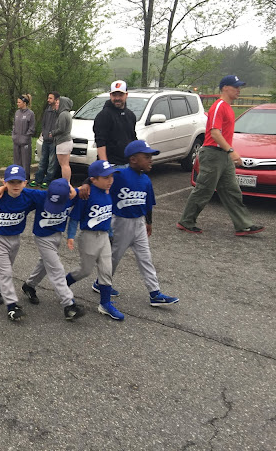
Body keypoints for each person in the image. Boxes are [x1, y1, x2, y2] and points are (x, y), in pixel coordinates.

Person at [177, 75, 265, 236]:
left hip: (223, 155)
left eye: (239, 87)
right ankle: (186, 221)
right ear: (225, 88)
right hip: (212, 154)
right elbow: (215, 133)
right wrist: (231, 151)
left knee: (232, 191)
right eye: (235, 87)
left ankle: (243, 225)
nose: (239, 90)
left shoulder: (228, 108)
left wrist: (228, 152)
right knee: (204, 190)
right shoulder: (219, 106)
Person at [106, 140, 179, 308]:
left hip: (139, 223)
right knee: (114, 257)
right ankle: (101, 283)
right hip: (121, 222)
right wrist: (87, 185)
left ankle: (155, 293)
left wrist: (149, 222)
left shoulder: (146, 180)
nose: (150, 160)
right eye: (146, 157)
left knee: (145, 258)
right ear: (133, 159)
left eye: (150, 157)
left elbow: (148, 204)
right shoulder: (119, 174)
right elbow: (97, 176)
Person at [0, 165, 42, 321]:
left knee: (5, 269)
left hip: (15, 239)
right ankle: (12, 306)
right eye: (11, 182)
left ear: (25, 182)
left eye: (19, 182)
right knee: (6, 271)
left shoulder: (29, 196)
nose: (15, 185)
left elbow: (54, 194)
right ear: (4, 182)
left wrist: (79, 189)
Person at [19, 178, 85, 320]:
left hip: (57, 235)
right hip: (42, 238)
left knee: (45, 263)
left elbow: (86, 187)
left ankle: (29, 285)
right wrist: (1, 188)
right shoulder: (40, 195)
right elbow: (18, 188)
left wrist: (80, 188)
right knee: (56, 269)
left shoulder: (72, 196)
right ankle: (69, 305)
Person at [65, 160, 121, 320]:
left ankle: (105, 304)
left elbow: (108, 217)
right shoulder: (86, 194)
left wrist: (110, 234)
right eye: (106, 177)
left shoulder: (108, 191)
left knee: (106, 269)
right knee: (85, 270)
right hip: (88, 236)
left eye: (111, 176)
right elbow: (75, 218)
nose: (110, 180)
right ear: (93, 179)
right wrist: (70, 236)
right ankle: (63, 284)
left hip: (104, 236)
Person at [94, 80, 137, 165]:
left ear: (126, 95)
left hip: (128, 164)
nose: (117, 98)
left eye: (120, 95)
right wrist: (105, 166)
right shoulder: (104, 115)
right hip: (112, 164)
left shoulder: (130, 115)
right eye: (114, 95)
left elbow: (132, 138)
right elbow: (100, 142)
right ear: (110, 95)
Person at [30, 92, 60, 188]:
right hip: (45, 140)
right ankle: (38, 179)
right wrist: (44, 133)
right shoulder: (47, 111)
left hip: (54, 141)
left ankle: (47, 180)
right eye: (48, 98)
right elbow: (43, 123)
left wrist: (53, 135)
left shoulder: (59, 112)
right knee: (42, 160)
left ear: (56, 100)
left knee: (52, 162)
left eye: (50, 98)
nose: (48, 100)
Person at [12, 94, 35, 181]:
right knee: (16, 161)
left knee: (25, 161)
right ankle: (17, 177)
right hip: (16, 141)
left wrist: (25, 138)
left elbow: (32, 128)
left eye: (19, 102)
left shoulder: (30, 114)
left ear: (24, 103)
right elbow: (14, 125)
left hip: (25, 142)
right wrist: (13, 136)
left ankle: (25, 179)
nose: (17, 104)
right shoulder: (17, 113)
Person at [53, 96, 74, 181]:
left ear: (63, 104)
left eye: (58, 103)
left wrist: (52, 133)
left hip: (63, 142)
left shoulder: (62, 114)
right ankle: (67, 182)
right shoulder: (67, 114)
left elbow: (61, 129)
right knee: (66, 164)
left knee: (64, 165)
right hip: (67, 141)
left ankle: (66, 182)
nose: (56, 104)